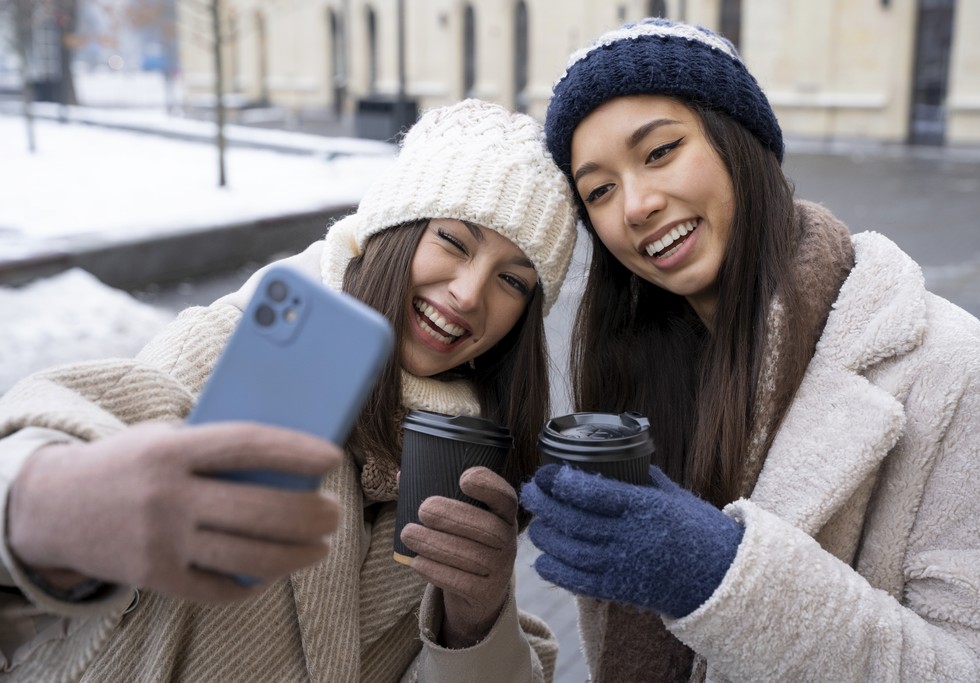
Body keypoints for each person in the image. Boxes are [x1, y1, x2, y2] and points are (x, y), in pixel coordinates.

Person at [0, 98, 578, 681]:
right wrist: (45, 503)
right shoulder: (240, 346)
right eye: (453, 241)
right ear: (393, 228)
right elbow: (58, 419)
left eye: (512, 280)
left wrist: (475, 626)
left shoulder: (464, 460)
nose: (470, 294)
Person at [521, 18, 980, 682]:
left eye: (661, 150)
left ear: (740, 141)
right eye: (600, 191)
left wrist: (721, 576)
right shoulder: (636, 376)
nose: (636, 205)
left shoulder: (953, 368)